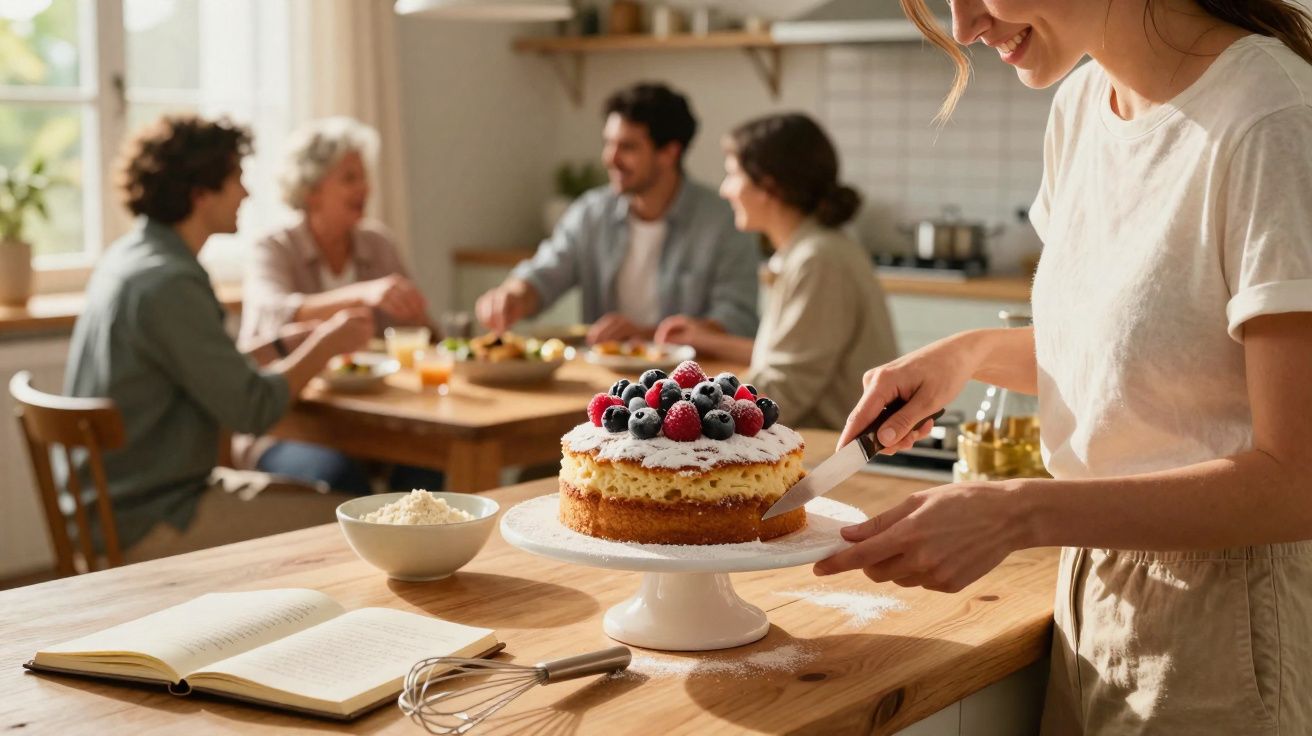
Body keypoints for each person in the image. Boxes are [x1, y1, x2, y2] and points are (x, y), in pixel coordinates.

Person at [814, 1, 1312, 733]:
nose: (964, 28)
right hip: (1088, 588)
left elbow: (1296, 480)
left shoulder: (1273, 119)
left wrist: (1019, 513)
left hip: (1224, 621)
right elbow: (1137, 356)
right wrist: (972, 353)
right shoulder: (1082, 106)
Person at [62, 115, 374, 562]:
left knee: (339, 497)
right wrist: (326, 343)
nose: (246, 193)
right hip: (153, 515)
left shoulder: (133, 259)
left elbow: (196, 369)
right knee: (355, 524)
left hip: (116, 502)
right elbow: (252, 408)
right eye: (236, 179)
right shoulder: (170, 282)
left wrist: (285, 344)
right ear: (200, 192)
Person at [237, 117, 442, 493]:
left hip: (373, 423)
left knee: (430, 468)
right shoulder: (274, 247)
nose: (364, 188)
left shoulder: (377, 243)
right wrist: (363, 293)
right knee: (339, 476)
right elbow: (275, 309)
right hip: (285, 427)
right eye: (349, 178)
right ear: (312, 190)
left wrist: (422, 322)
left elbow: (426, 335)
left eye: (364, 177)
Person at [656, 113, 897, 429]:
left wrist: (678, 404)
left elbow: (784, 393)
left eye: (733, 175)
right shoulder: (814, 249)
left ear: (768, 186)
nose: (725, 190)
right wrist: (707, 341)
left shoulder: (818, 261)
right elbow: (792, 359)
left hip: (829, 453)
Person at [475, 82, 760, 345]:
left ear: (669, 153)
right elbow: (545, 274)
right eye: (609, 143)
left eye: (627, 147)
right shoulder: (591, 213)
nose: (609, 158)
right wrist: (513, 295)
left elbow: (737, 320)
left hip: (691, 388)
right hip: (606, 387)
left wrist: (646, 335)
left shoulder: (725, 221)